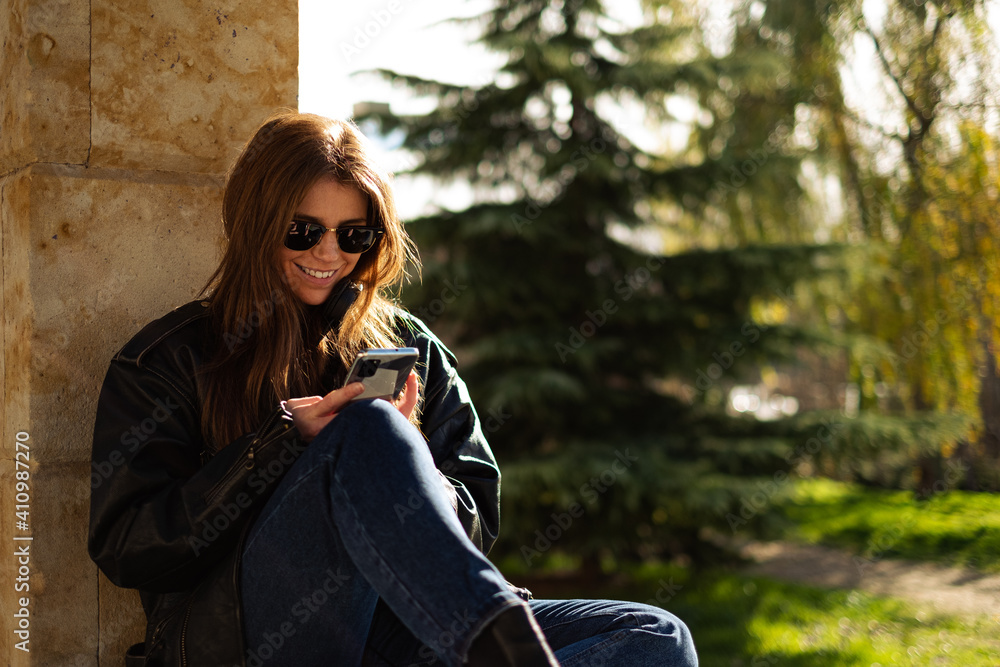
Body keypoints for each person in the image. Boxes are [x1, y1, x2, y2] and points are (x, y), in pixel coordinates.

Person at [88, 112, 698, 667]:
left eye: (353, 235)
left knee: (654, 639)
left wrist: (410, 462)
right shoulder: (166, 358)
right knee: (368, 426)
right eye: (302, 230)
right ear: (255, 223)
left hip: (402, 633)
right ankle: (502, 652)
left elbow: (477, 518)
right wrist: (278, 445)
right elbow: (128, 546)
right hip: (255, 636)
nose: (328, 253)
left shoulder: (412, 348)